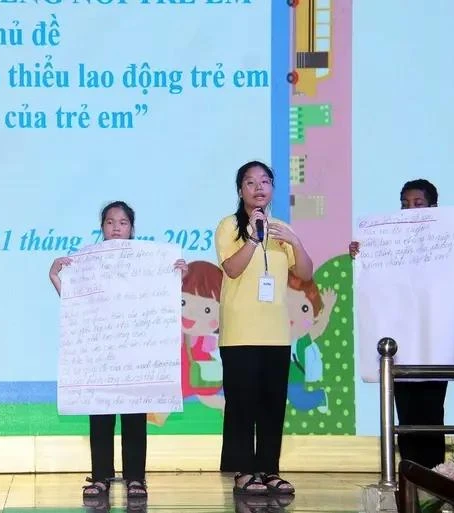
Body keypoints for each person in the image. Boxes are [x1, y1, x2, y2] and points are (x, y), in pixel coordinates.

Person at [48, 200, 188, 501]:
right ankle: (100, 477)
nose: (116, 228)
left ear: (132, 228)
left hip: (135, 354)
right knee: (100, 415)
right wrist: (57, 276)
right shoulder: (87, 262)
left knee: (135, 416)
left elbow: (158, 302)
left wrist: (176, 275)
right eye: (110, 222)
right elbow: (77, 304)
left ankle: (136, 478)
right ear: (102, 227)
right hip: (101, 353)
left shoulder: (147, 262)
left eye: (123, 223)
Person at [348, 178, 454, 469]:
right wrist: (361, 254)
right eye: (405, 204)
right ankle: (408, 474)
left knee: (432, 410)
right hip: (400, 341)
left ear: (433, 207)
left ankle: (434, 475)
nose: (410, 209)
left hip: (434, 342)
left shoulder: (444, 236)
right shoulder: (392, 240)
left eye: (418, 203)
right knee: (405, 413)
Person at [215, 161, 313, 496]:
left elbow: (305, 273)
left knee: (272, 404)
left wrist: (296, 243)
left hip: (275, 333)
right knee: (243, 403)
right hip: (240, 331)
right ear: (240, 190)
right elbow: (231, 268)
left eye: (265, 181)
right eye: (250, 182)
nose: (259, 187)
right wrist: (254, 239)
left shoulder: (282, 228)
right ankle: (245, 471)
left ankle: (270, 470)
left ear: (272, 189)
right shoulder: (229, 226)